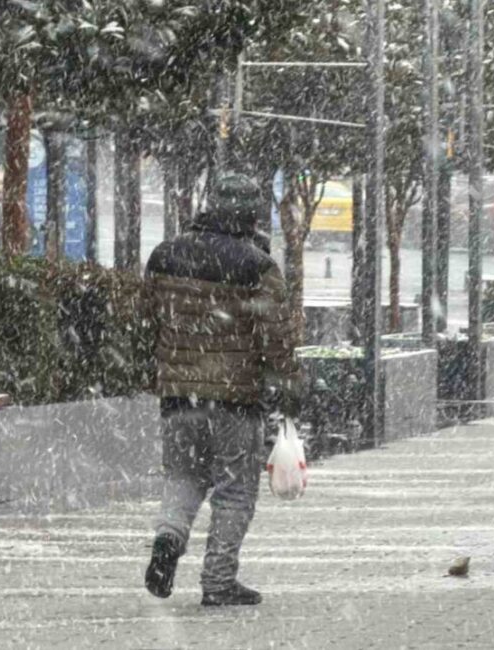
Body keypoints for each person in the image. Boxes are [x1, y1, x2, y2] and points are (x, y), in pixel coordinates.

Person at [143, 174, 301, 607]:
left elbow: (144, 322)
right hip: (235, 398)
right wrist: (288, 382)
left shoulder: (164, 255)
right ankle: (217, 582)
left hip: (177, 396)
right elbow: (277, 336)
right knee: (235, 490)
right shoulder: (257, 265)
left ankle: (168, 539)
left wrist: (159, 372)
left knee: (183, 477)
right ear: (252, 213)